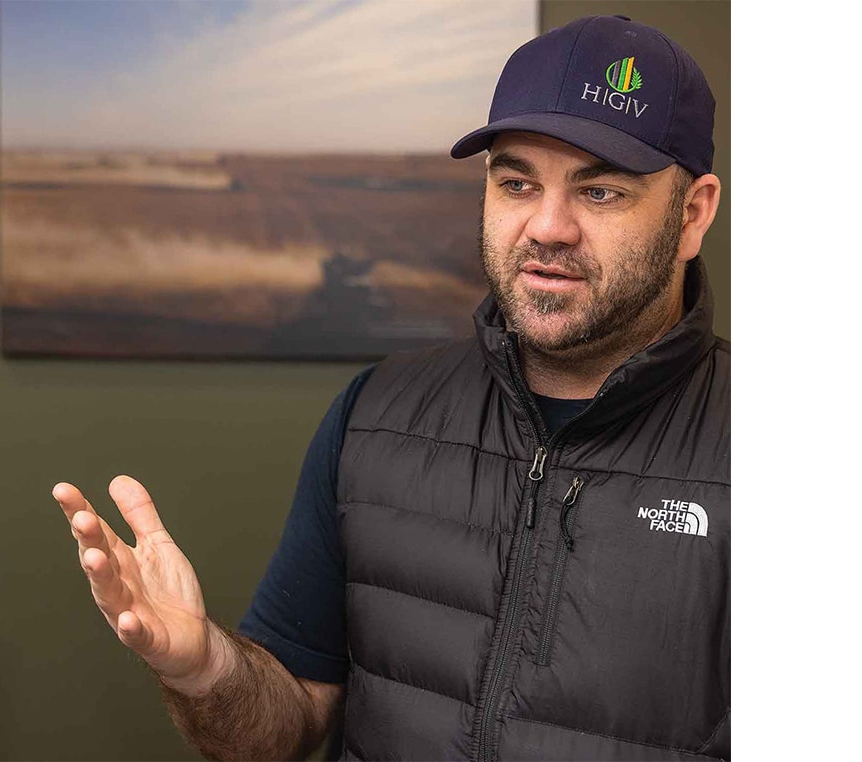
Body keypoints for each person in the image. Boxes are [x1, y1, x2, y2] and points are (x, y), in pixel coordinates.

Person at [53, 14, 729, 761]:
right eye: (516, 182)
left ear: (692, 214)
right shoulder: (375, 416)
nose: (548, 226)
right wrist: (202, 669)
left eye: (599, 192)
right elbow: (279, 732)